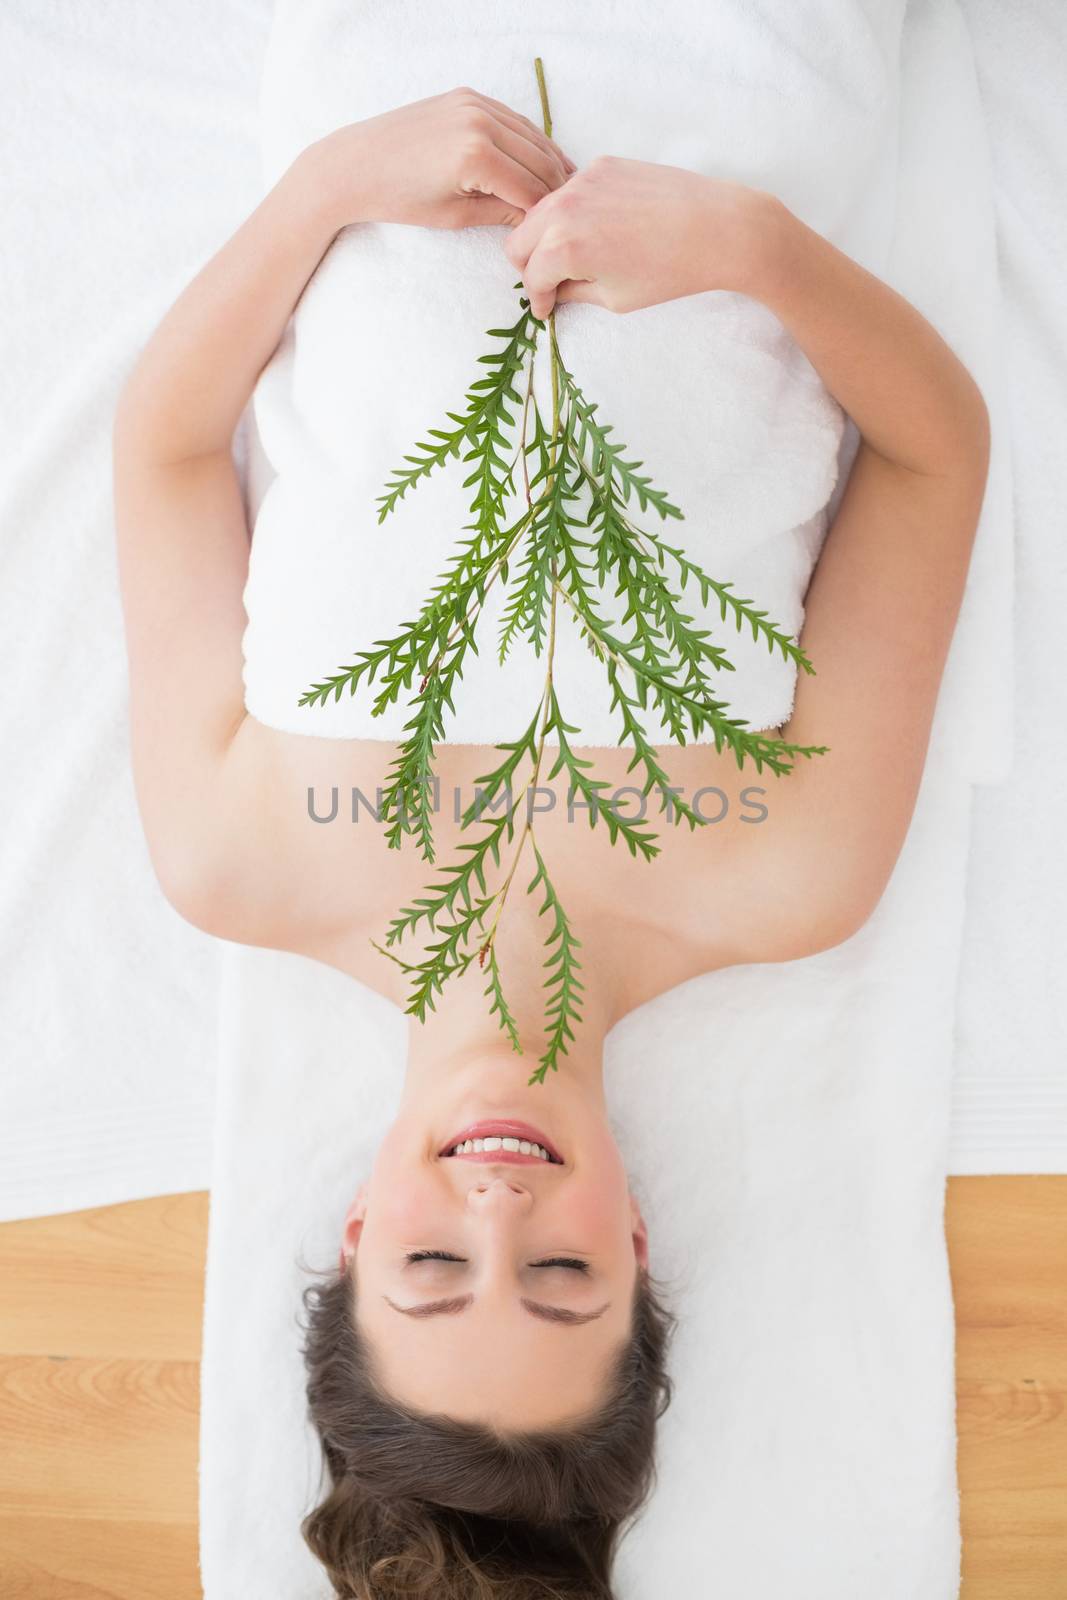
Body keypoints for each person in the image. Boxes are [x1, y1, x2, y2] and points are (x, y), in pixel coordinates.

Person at [112, 85, 990, 1599]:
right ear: (641, 1244)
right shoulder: (788, 878)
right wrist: (757, 248)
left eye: (433, 1271)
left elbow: (168, 456)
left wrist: (328, 182)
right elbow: (934, 458)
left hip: (384, 87)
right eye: (564, 1280)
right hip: (738, 93)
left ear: (357, 1226)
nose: (500, 1214)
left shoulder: (234, 862)